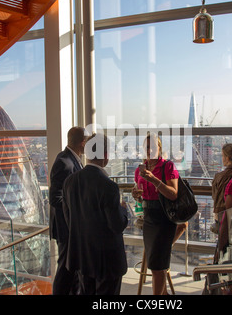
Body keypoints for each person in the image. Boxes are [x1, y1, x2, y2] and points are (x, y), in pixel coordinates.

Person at [62, 133, 128, 295]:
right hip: (106, 261)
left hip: (82, 257)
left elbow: (68, 219)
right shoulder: (109, 187)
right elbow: (117, 225)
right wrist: (124, 210)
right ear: (105, 155)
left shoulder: (69, 182)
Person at [132, 133, 179, 295]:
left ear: (159, 148)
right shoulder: (141, 169)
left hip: (164, 218)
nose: (149, 150)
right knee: (155, 265)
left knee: (158, 266)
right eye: (146, 147)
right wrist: (136, 193)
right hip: (148, 217)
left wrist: (154, 180)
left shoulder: (168, 167)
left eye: (152, 147)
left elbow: (173, 194)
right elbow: (140, 192)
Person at [49, 126, 88, 295]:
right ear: (83, 143)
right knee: (65, 272)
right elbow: (55, 198)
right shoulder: (64, 163)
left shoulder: (70, 159)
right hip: (67, 229)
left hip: (71, 228)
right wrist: (79, 210)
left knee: (73, 272)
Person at [210, 143, 232, 234]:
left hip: (219, 217)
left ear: (227, 158)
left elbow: (214, 196)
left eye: (223, 156)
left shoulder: (218, 176)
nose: (222, 158)